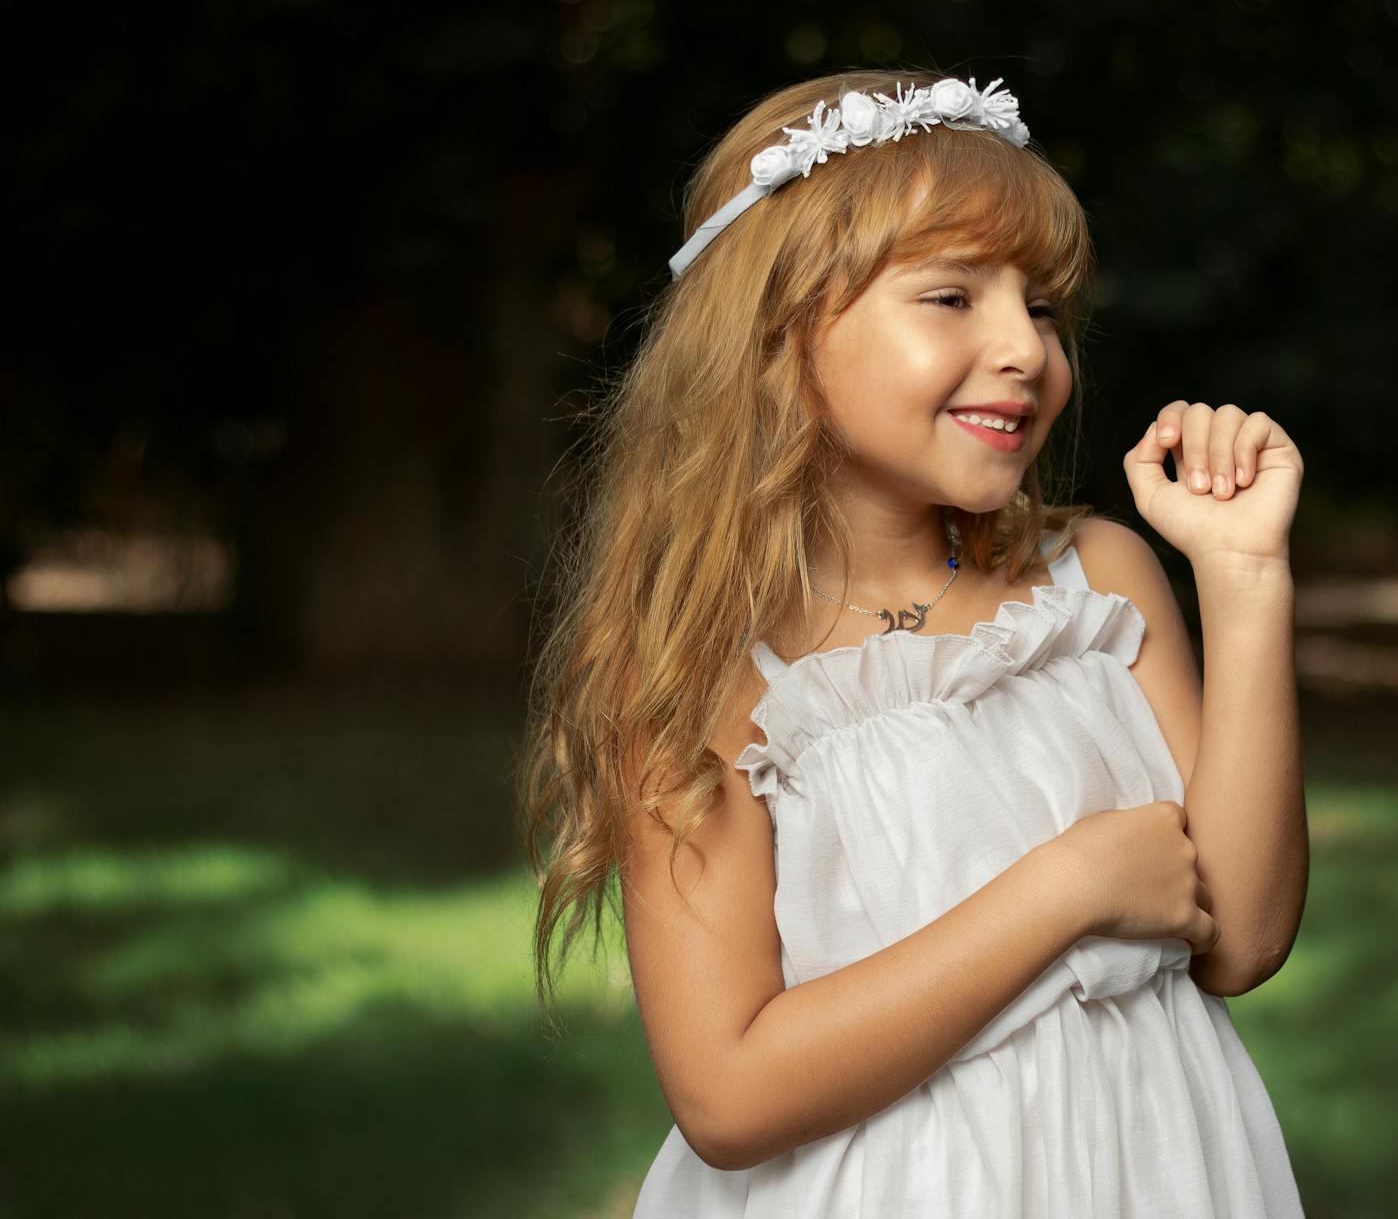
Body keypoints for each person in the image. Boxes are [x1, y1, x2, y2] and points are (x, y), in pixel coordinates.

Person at [518, 67, 1310, 1216]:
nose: (1026, 348)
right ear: (779, 337)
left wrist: (1243, 579)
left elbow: (1240, 935)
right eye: (952, 297)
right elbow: (728, 1093)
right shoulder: (702, 669)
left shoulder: (1096, 584)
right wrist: (1066, 888)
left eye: (1042, 307)